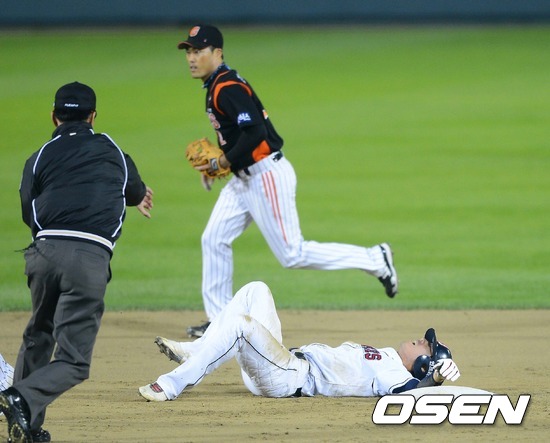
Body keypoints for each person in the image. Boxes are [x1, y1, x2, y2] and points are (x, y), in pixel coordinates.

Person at [177, 24, 399, 338]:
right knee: (213, 239)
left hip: (265, 176)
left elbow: (255, 132)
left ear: (218, 53)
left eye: (198, 50)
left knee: (292, 254)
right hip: (243, 181)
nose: (191, 57)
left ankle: (374, 258)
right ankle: (221, 323)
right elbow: (237, 135)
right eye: (188, 51)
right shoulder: (217, 85)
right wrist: (219, 163)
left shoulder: (227, 87)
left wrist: (223, 161)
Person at [0, 82, 154, 443]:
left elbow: (28, 209)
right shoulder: (113, 150)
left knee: (38, 336)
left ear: (54, 117)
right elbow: (134, 190)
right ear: (93, 117)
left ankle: (26, 427)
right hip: (88, 259)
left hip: (42, 254)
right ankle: (19, 398)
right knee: (73, 361)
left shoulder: (39, 156)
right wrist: (137, 198)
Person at [139, 281, 460, 401]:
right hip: (280, 362)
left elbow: (412, 394)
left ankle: (171, 385)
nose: (422, 339)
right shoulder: (388, 356)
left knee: (240, 326)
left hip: (286, 377)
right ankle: (194, 352)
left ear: (423, 363)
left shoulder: (396, 375)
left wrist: (434, 380)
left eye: (426, 345)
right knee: (255, 290)